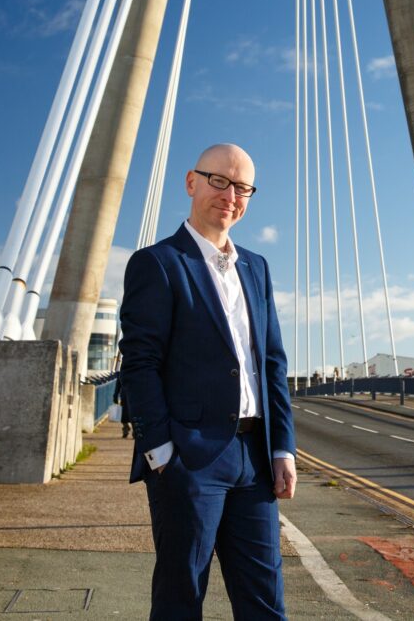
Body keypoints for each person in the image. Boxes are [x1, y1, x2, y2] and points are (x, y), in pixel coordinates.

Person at [119, 143, 296, 620]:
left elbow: (272, 363)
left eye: (242, 187)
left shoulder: (256, 267)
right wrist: (161, 453)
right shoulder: (157, 263)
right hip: (189, 459)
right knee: (182, 595)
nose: (230, 194)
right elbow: (139, 363)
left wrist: (282, 448)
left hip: (254, 459)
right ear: (191, 182)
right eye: (219, 180)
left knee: (265, 598)